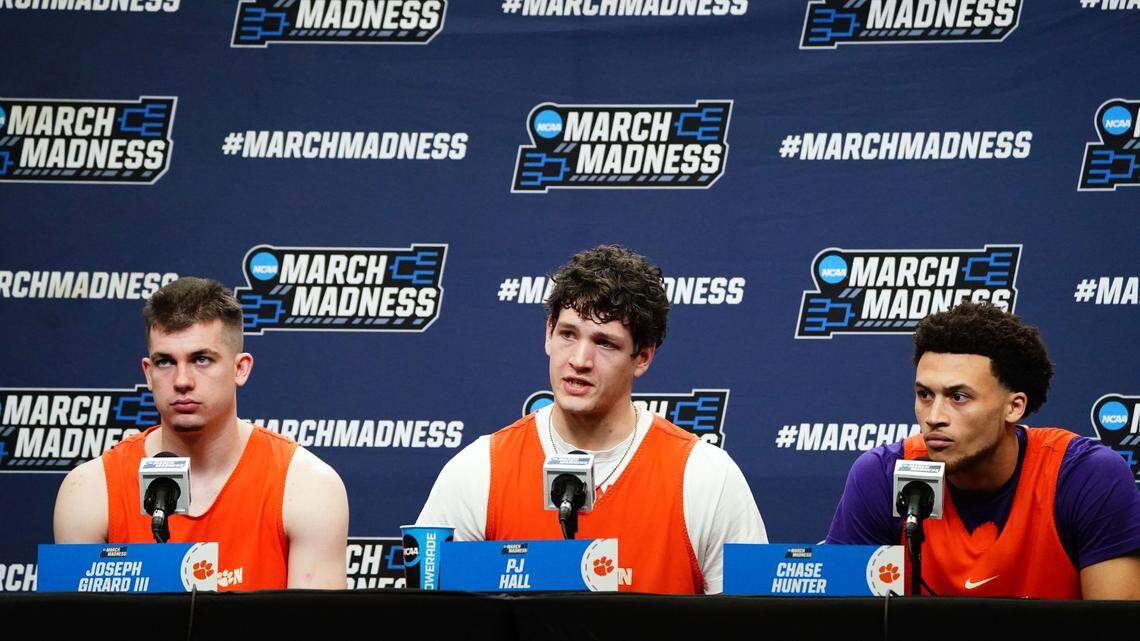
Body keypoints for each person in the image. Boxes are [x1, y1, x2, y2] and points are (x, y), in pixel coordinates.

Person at [417, 245, 766, 594]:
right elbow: (435, 620)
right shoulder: (481, 470)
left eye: (605, 343)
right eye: (568, 334)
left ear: (642, 357)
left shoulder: (706, 477)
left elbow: (747, 627)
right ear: (548, 333)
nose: (579, 360)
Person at [826, 302, 1140, 599]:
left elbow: (1117, 627)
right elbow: (840, 619)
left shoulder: (1085, 477)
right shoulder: (882, 475)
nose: (934, 416)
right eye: (924, 395)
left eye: (958, 397)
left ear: (1014, 407)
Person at [53, 277, 349, 590]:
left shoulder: (307, 486)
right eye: (165, 362)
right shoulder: (91, 490)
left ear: (240, 369)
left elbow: (316, 629)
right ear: (148, 373)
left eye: (201, 359)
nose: (182, 380)